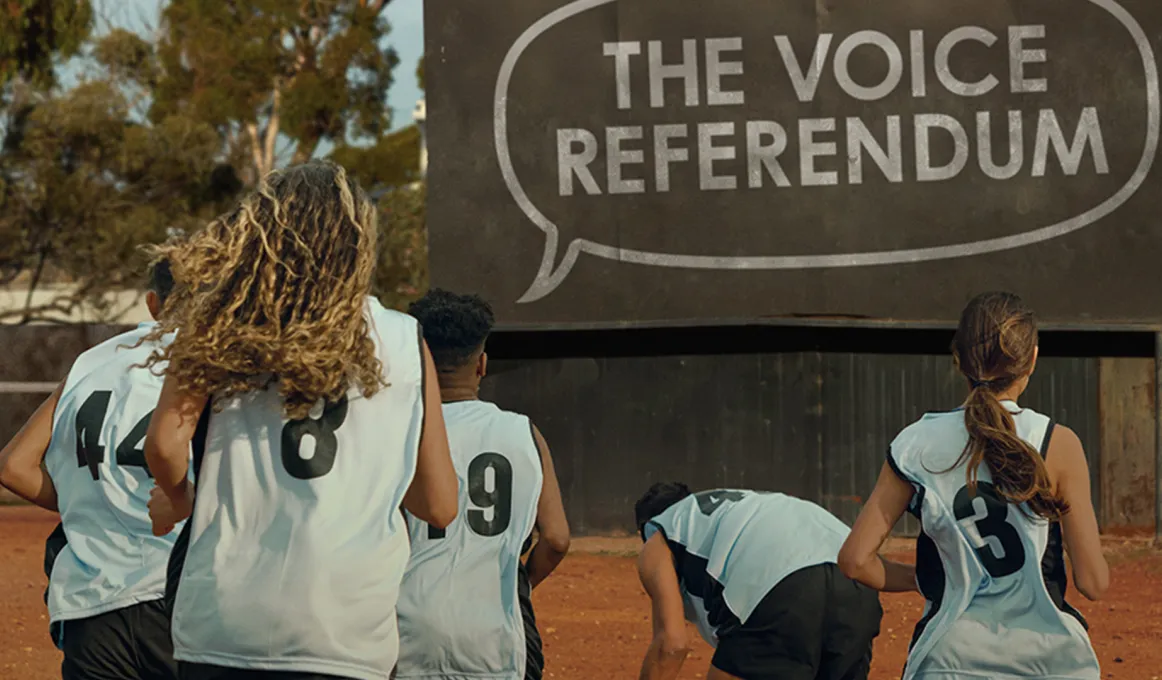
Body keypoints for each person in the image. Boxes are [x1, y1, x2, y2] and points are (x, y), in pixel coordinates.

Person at [141, 160, 459, 680]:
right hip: (347, 633)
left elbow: (163, 445)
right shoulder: (405, 339)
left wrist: (179, 499)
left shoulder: (218, 322)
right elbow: (440, 506)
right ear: (359, 244)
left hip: (223, 621)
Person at [838, 291, 1108, 680]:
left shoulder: (916, 443)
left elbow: (854, 561)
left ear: (958, 359)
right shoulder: (1058, 441)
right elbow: (1093, 583)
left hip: (949, 661)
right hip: (1053, 661)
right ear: (1032, 358)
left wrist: (926, 580)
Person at [0, 259, 183, 680]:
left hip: (90, 608)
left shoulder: (92, 362)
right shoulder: (220, 370)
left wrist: (98, 502)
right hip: (178, 600)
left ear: (153, 303)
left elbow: (14, 468)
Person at [396, 288, 570, 680]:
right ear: (482, 364)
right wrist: (517, 586)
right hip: (498, 636)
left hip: (407, 632)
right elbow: (556, 539)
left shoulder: (397, 432)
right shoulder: (524, 432)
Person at [634, 483, 883, 680]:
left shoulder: (659, 532)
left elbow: (672, 644)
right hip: (857, 585)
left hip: (781, 588)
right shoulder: (735, 504)